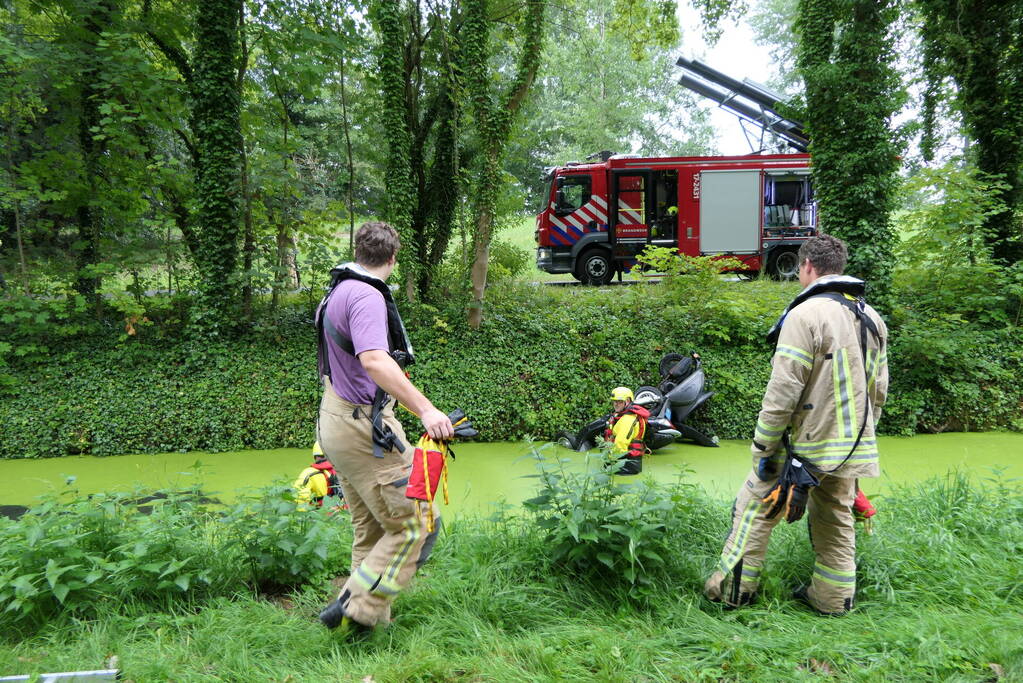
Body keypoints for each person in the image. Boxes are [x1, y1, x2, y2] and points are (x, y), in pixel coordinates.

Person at [704, 234, 888, 616]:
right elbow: (878, 390)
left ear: (806, 266)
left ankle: (731, 594)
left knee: (754, 507)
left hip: (803, 446)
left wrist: (763, 447)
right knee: (835, 520)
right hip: (851, 446)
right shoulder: (871, 317)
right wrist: (860, 439)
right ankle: (833, 601)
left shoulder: (805, 315)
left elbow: (783, 390)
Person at [314, 221, 454, 634]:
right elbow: (374, 360)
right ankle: (354, 602)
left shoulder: (336, 291)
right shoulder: (367, 297)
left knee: (372, 529)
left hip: (335, 421)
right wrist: (427, 410)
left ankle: (364, 628)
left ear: (360, 252)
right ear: (394, 258)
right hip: (364, 430)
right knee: (420, 521)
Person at [603, 386, 649, 475]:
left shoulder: (628, 419)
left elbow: (620, 444)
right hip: (630, 462)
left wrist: (611, 462)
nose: (616, 404)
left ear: (627, 401)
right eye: (614, 401)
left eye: (619, 402)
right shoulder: (625, 415)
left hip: (625, 464)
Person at [292, 442, 341, 509]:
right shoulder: (342, 469)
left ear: (315, 456)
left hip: (319, 514)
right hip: (341, 512)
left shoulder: (309, 473)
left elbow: (300, 499)